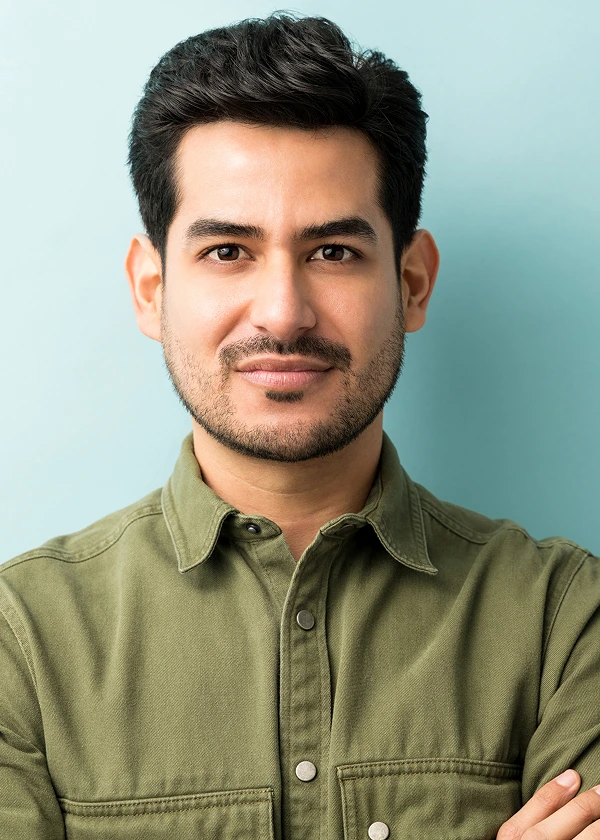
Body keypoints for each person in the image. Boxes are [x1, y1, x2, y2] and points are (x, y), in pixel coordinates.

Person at [1, 12, 599, 839]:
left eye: (333, 252)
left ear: (414, 282)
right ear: (150, 287)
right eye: (226, 252)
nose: (283, 313)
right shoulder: (20, 642)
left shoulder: (563, 620)